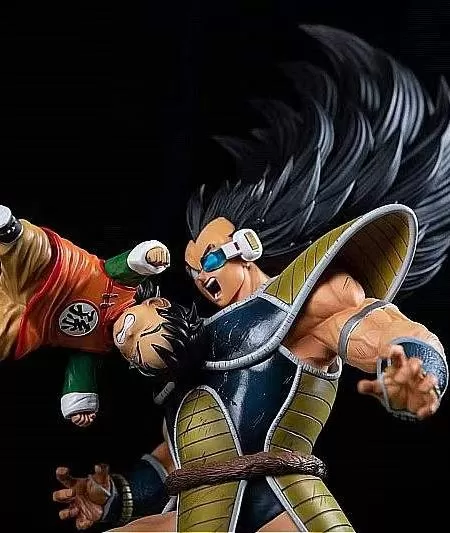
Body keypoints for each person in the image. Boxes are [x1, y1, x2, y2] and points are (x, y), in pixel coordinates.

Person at [53, 25, 449, 532]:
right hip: (202, 514)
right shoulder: (198, 349)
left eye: (210, 260)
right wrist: (117, 496)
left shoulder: (303, 299)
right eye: (193, 271)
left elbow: (375, 327)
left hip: (282, 509)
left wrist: (413, 367)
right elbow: (185, 455)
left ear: (248, 247)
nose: (202, 279)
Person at [0, 204, 170, 426]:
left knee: (6, 339)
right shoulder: (125, 285)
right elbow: (132, 262)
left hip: (30, 323)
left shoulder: (97, 347)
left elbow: (81, 370)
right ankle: (10, 232)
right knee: (37, 251)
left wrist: (80, 403)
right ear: (156, 304)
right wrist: (149, 256)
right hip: (56, 274)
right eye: (142, 331)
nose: (128, 336)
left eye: (134, 352)